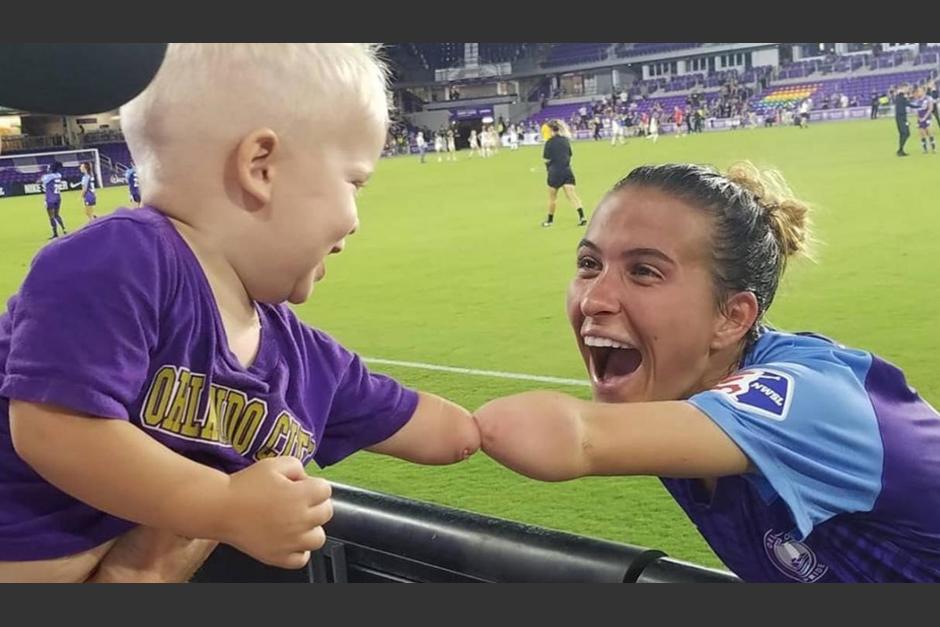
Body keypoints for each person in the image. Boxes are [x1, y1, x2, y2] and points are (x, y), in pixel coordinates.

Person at [0, 43, 480, 583]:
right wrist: (225, 504)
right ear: (261, 166)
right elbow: (54, 431)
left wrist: (503, 430)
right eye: (354, 182)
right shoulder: (118, 259)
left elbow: (423, 422)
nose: (355, 222)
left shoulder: (302, 359)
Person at [475, 162, 940, 582]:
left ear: (733, 317)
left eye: (644, 271)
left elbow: (575, 437)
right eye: (589, 264)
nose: (594, 299)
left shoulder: (807, 400)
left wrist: (443, 424)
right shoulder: (673, 388)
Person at [540, 120, 586, 228]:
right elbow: (569, 154)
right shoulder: (565, 141)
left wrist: (549, 168)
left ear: (551, 130)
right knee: (572, 195)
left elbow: (546, 159)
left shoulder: (549, 143)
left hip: (554, 172)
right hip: (566, 170)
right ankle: (582, 216)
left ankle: (549, 221)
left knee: (552, 198)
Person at [38, 160, 66, 239]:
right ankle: (64, 229)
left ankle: (55, 233)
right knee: (57, 215)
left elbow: (39, 181)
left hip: (50, 198)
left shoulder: (48, 177)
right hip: (58, 197)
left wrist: (43, 177)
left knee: (51, 216)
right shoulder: (59, 175)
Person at [895, 84, 914, 156]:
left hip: (903, 118)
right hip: (900, 117)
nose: (908, 89)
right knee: (905, 133)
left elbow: (908, 103)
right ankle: (900, 150)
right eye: (907, 88)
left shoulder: (901, 97)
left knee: (905, 133)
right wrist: (920, 106)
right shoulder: (900, 97)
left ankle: (900, 150)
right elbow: (909, 104)